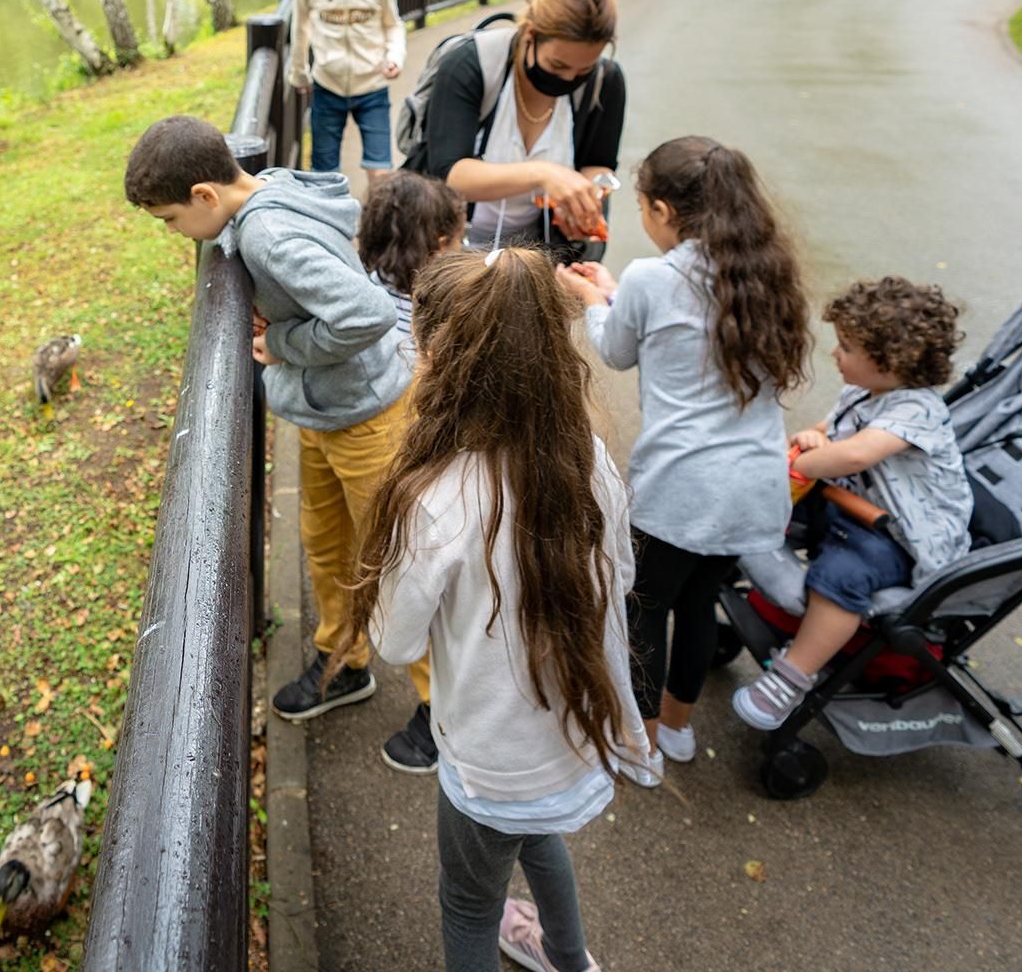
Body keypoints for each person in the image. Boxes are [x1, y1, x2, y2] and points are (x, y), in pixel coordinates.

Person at [346, 248, 655, 972]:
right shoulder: (588, 459)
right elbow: (625, 571)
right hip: (571, 741)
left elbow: (393, 644)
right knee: (536, 840)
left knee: (468, 901)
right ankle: (569, 958)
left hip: (490, 763)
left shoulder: (437, 499)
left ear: (433, 354)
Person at [123, 116, 416, 759]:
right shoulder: (264, 190)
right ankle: (344, 662)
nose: (174, 235)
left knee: (402, 560)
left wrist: (280, 343)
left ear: (205, 196)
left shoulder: (269, 236)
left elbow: (364, 314)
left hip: (369, 416)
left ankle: (446, 710)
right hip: (328, 411)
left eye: (170, 221)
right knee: (328, 541)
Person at [557, 137, 810, 778]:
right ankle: (676, 730)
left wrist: (593, 299)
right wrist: (618, 292)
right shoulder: (767, 273)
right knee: (700, 602)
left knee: (642, 606)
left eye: (642, 207)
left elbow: (615, 349)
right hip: (752, 487)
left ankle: (637, 747)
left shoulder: (651, 278)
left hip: (681, 490)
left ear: (664, 210)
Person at [732, 277, 972, 731]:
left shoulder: (918, 410)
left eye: (845, 347)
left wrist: (806, 461)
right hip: (850, 504)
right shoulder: (862, 393)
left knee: (842, 574)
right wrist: (811, 439)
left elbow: (857, 453)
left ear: (888, 361)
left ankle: (793, 674)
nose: (834, 353)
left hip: (899, 536)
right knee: (756, 498)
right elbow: (830, 435)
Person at [353, 170, 466, 772]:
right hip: (415, 449)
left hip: (390, 441)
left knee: (403, 576)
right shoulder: (448, 302)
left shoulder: (361, 284)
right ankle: (438, 702)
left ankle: (435, 705)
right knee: (422, 577)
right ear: (439, 243)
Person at [410, 0, 626, 264]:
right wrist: (543, 173)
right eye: (558, 64)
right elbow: (451, 173)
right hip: (452, 249)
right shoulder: (470, 64)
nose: (569, 78)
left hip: (536, 256)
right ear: (529, 33)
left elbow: (598, 163)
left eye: (582, 70)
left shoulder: (605, 81)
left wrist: (585, 197)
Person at [287, 0, 406, 180]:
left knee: (381, 173)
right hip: (328, 87)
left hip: (373, 85)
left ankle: (378, 224)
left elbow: (393, 25)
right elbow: (300, 30)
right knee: (324, 175)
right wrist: (300, 74)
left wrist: (394, 57)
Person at [357, 170, 466, 352]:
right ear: (440, 246)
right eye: (459, 238)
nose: (462, 246)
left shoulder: (369, 284)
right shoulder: (423, 320)